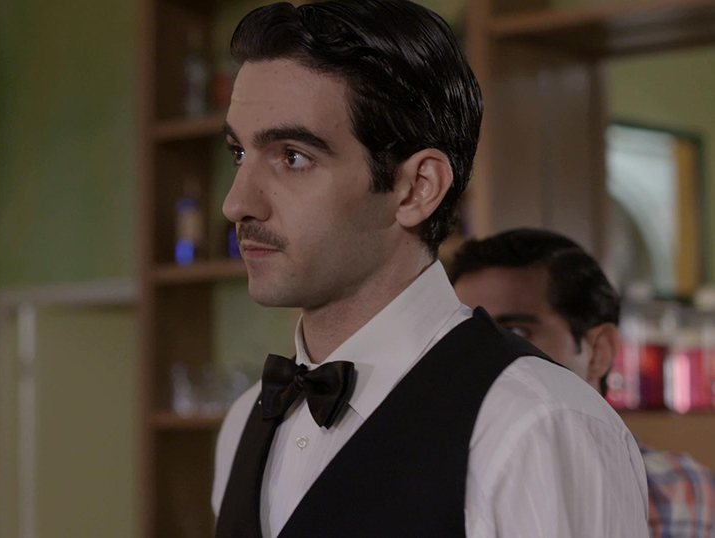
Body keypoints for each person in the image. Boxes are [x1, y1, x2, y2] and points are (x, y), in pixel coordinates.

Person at [211, 2, 648, 537]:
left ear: (417, 189)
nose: (236, 203)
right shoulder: (244, 423)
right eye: (239, 154)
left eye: (293, 156)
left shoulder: (536, 424)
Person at [452, 227, 715, 538]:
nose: (481, 358)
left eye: (516, 333)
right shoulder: (434, 492)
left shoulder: (687, 497)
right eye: (464, 337)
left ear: (599, 351)